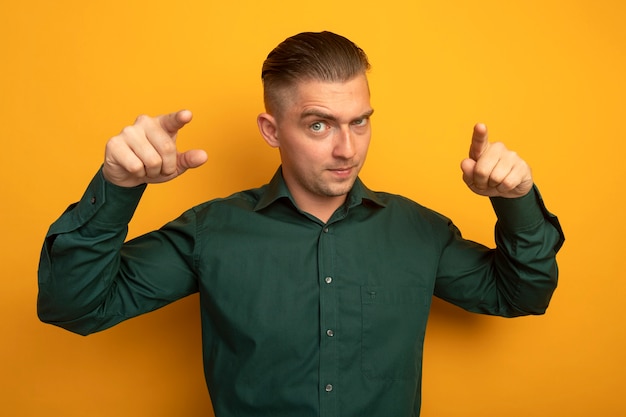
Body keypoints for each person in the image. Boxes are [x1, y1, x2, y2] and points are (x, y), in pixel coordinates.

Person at [38, 31, 564, 416]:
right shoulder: (210, 232)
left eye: (359, 121)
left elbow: (522, 294)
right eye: (319, 124)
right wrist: (117, 188)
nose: (347, 148)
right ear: (271, 130)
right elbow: (77, 306)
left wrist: (515, 201)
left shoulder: (418, 229)